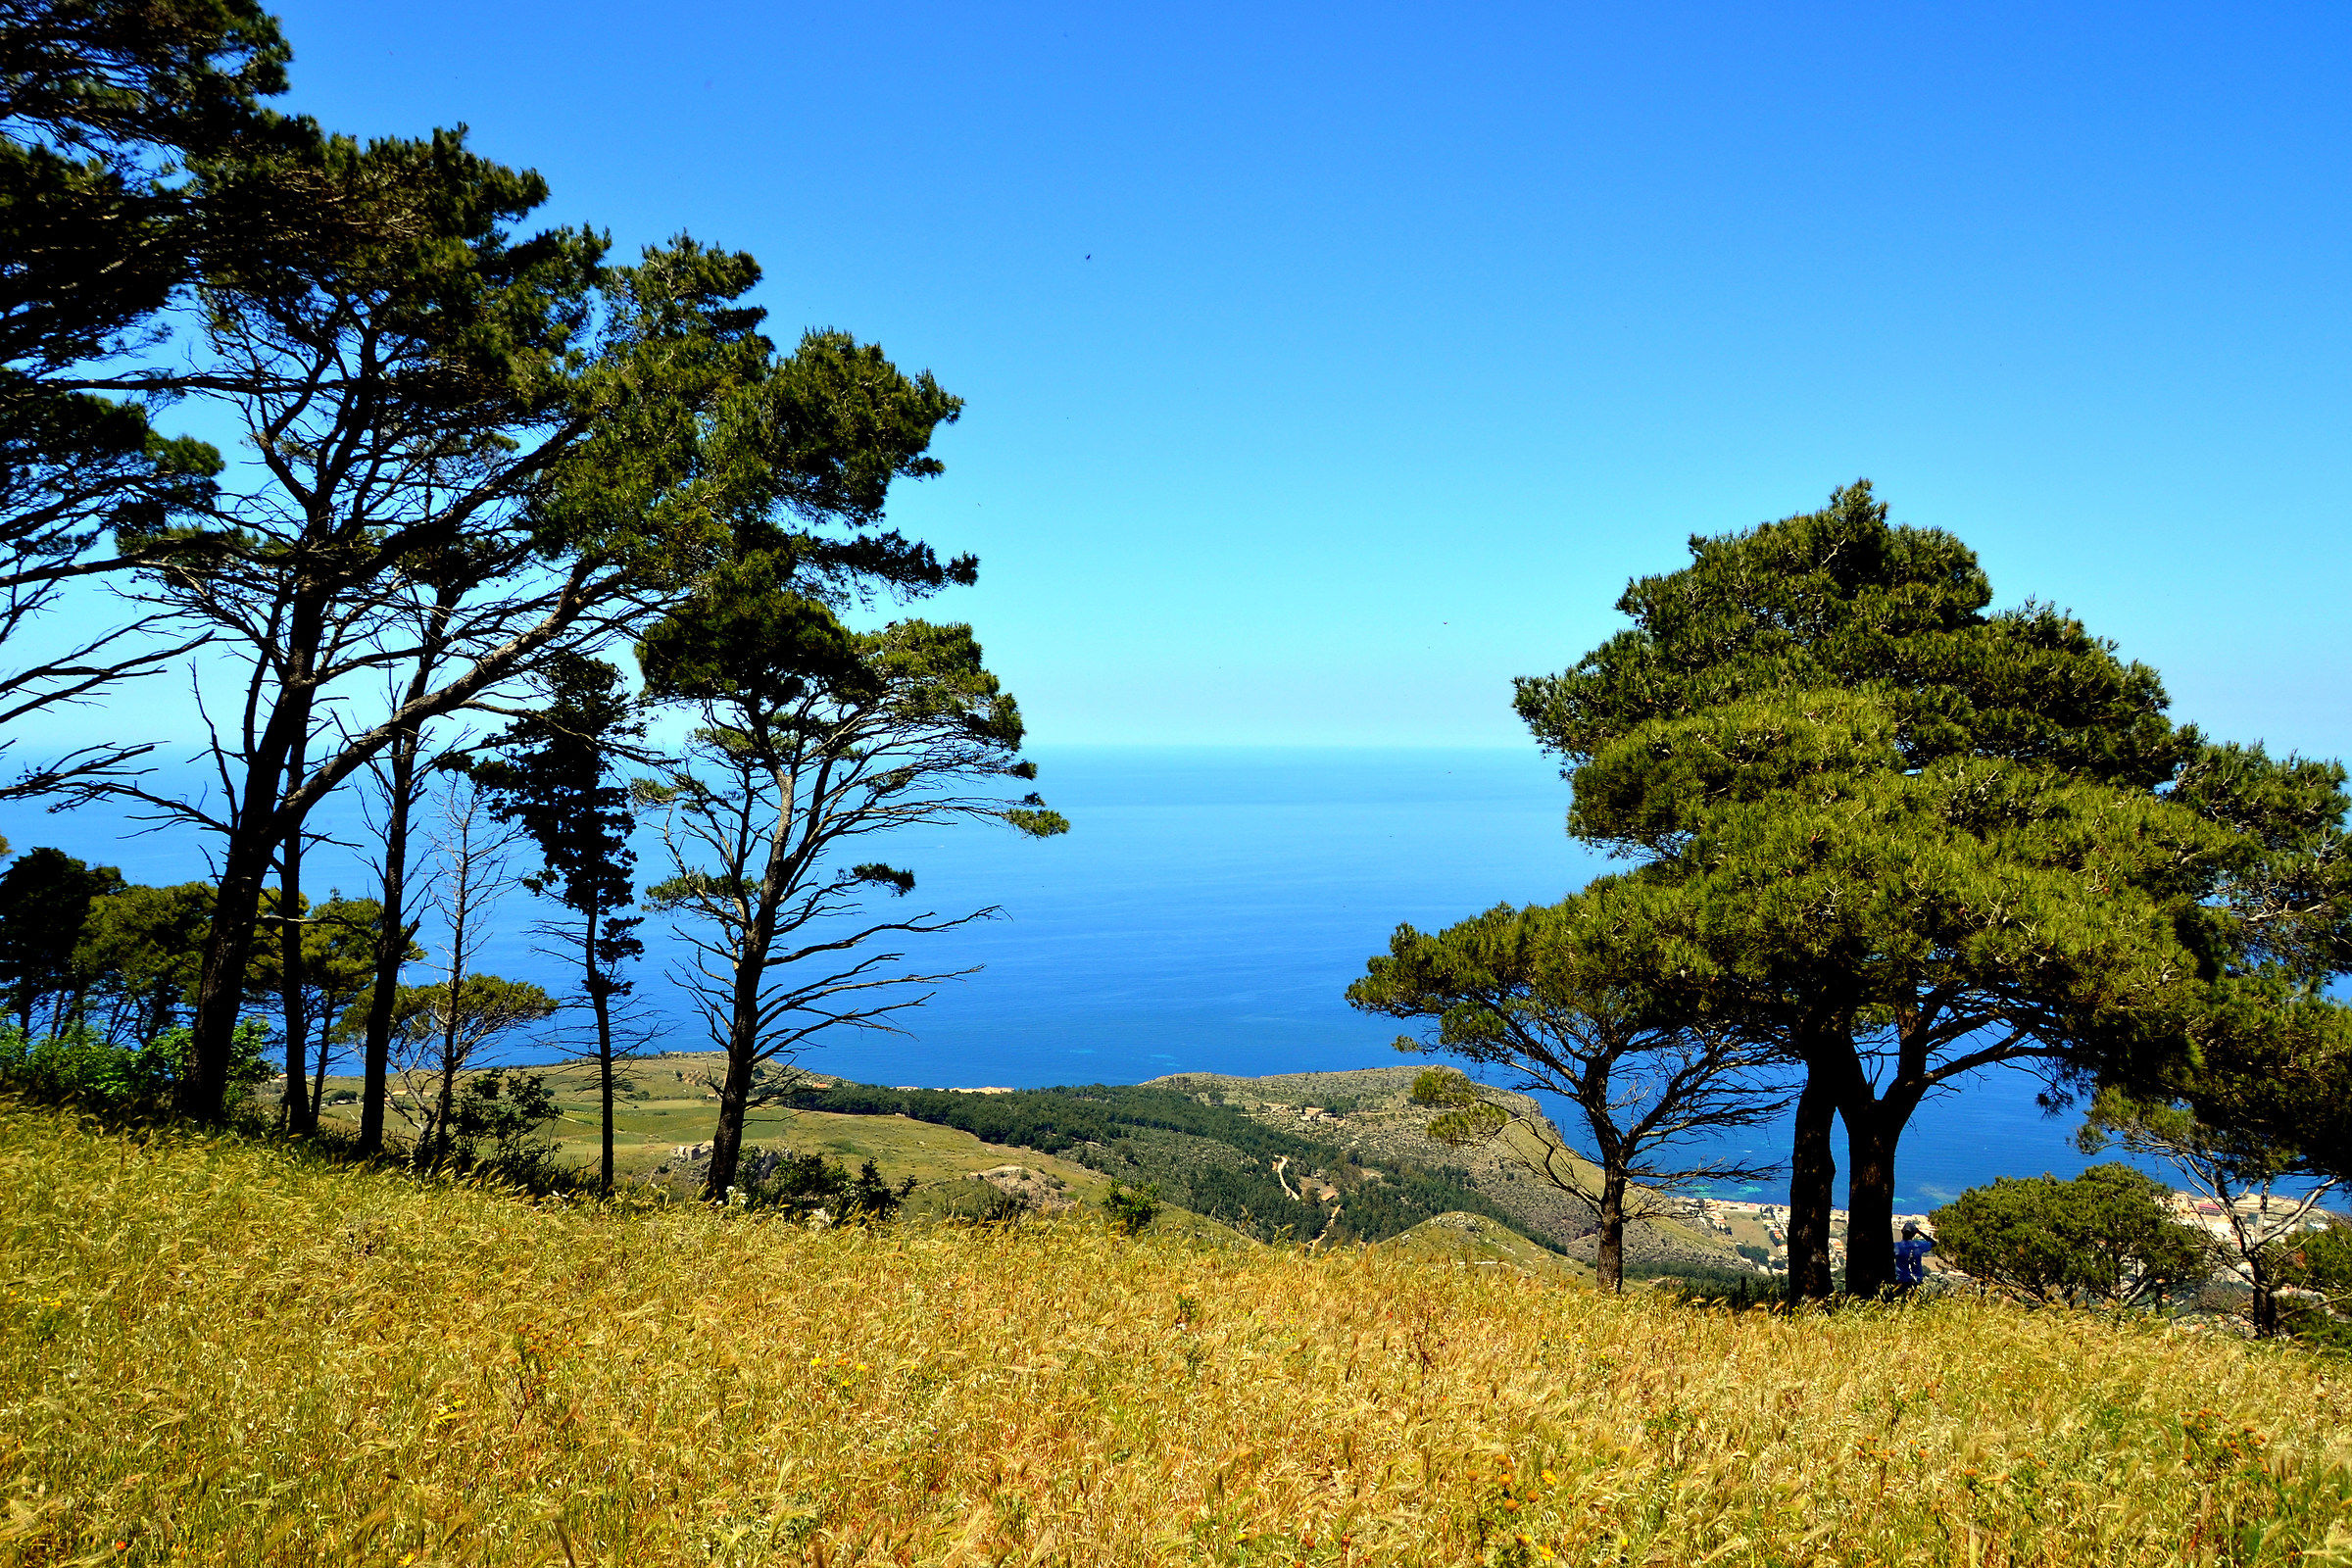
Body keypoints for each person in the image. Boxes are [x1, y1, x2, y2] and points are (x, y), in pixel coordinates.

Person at [1892, 1221, 1935, 1293]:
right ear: (1914, 1234)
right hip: (1916, 1281)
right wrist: (1919, 1232)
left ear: (1902, 1232)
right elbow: (1933, 1243)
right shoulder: (1919, 1245)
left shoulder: (1896, 1246)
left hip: (1900, 1280)